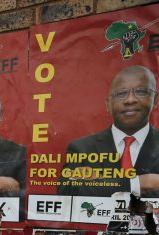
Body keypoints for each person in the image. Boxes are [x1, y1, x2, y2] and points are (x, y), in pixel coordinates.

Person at [58, 66, 159, 197]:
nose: (130, 100)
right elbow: (67, 192)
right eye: (121, 94)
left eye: (140, 91)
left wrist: (102, 182)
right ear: (108, 105)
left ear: (155, 100)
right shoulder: (81, 148)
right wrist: (138, 183)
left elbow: (86, 190)